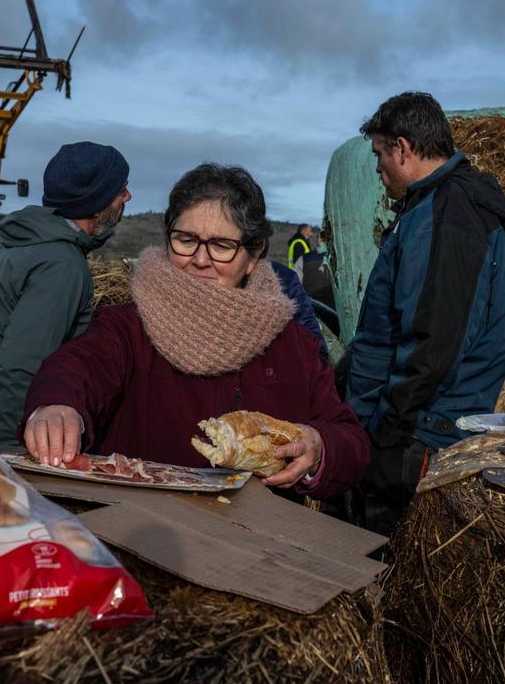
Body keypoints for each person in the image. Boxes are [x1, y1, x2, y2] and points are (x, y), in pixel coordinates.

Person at [21, 164, 369, 499]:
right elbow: (77, 367)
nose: (200, 260)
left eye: (221, 246)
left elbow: (349, 440)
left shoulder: (294, 346)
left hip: (259, 548)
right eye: (186, 240)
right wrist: (57, 406)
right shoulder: (126, 327)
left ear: (253, 255)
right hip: (148, 534)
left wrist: (319, 446)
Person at [345, 91, 505, 533]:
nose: (379, 172)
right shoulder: (437, 207)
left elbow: (434, 342)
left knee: (384, 558)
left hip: (419, 433)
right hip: (418, 423)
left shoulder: (445, 215)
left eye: (380, 156)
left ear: (403, 147)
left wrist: (385, 433)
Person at [0, 141, 132, 447]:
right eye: (120, 189)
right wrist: (19, 452)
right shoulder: (60, 264)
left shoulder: (25, 240)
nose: (127, 196)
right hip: (10, 439)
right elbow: (20, 368)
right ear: (96, 200)